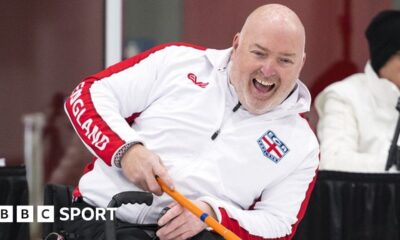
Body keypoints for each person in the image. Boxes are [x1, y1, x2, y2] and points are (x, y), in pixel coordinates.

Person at [63, 4, 319, 240]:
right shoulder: (177, 61)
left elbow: (279, 224)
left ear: (302, 63)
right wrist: (127, 150)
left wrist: (212, 213)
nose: (268, 70)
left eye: (285, 60)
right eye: (259, 53)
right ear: (237, 44)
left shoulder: (302, 144)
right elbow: (87, 95)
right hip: (95, 217)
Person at [315, 10, 400, 172]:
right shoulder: (344, 96)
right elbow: (333, 160)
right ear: (384, 56)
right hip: (361, 197)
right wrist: (393, 163)